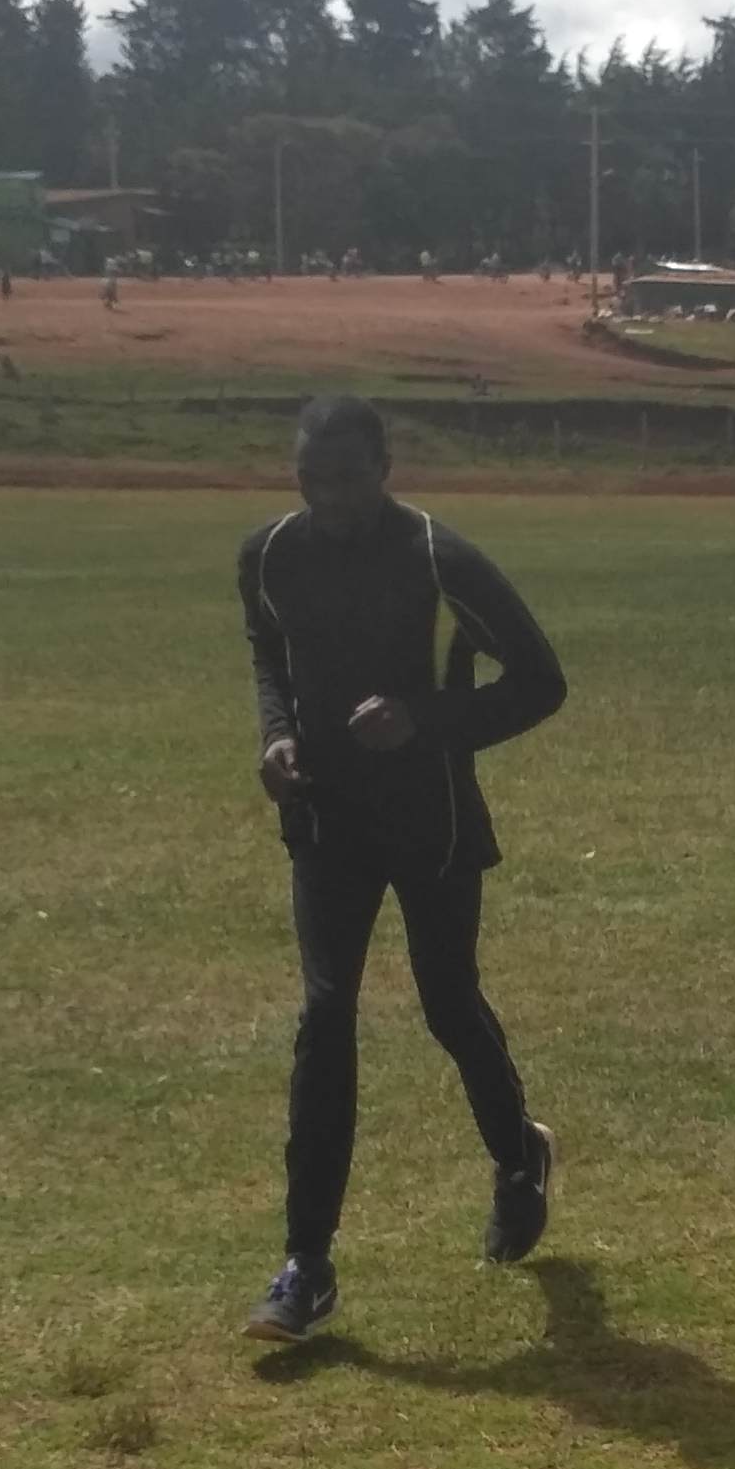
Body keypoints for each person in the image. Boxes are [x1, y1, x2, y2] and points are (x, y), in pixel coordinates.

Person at [238, 397, 569, 1341]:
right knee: (325, 1014)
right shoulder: (269, 555)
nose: (330, 497)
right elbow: (270, 653)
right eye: (312, 479)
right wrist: (276, 735)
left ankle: (518, 1156)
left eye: (347, 477)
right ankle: (307, 1264)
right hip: (326, 821)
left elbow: (540, 681)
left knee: (447, 1002)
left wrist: (423, 719)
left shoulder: (438, 558)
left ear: (385, 468)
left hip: (433, 819)